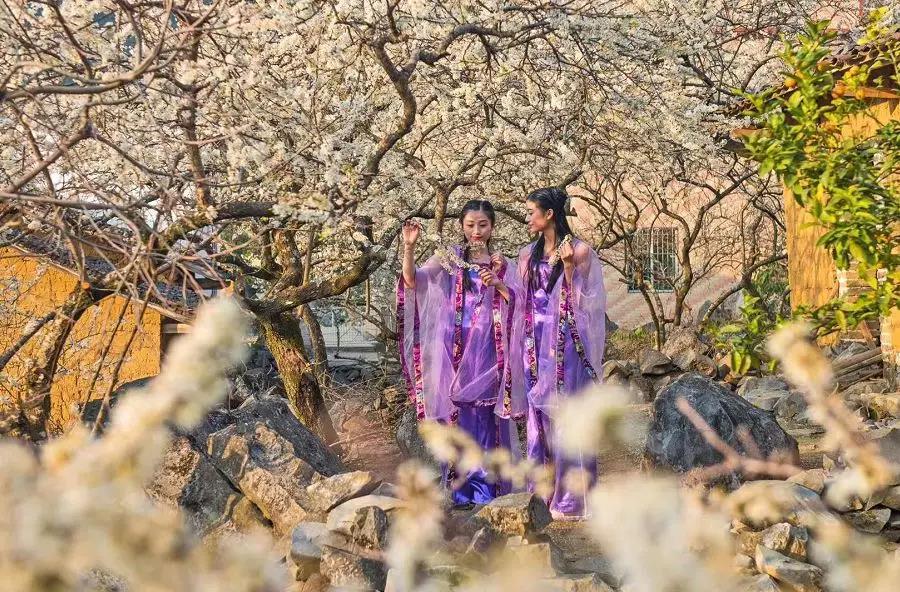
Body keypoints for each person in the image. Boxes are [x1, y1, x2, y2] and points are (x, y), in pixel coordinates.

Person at [397, 200, 522, 506]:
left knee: (483, 418)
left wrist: (500, 284)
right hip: (453, 350)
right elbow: (413, 281)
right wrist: (409, 247)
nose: (476, 231)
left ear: (492, 227)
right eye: (470, 225)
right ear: (462, 227)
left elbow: (520, 305)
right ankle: (461, 490)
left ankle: (486, 490)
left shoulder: (502, 264)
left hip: (488, 353)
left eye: (483, 225)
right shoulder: (450, 259)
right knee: (457, 419)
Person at [508, 187, 607, 520]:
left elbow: (588, 305)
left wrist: (567, 269)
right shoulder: (526, 255)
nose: (527, 218)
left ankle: (572, 498)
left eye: (531, 212)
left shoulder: (580, 251)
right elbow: (519, 300)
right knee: (538, 417)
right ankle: (541, 494)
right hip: (534, 343)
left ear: (549, 214)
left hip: (566, 341)